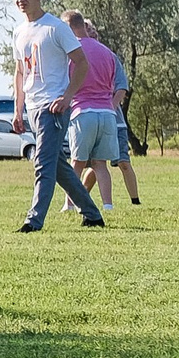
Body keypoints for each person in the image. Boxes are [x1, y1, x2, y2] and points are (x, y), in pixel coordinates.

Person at [10, 0, 103, 232]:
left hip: (53, 107)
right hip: (33, 106)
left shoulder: (56, 28)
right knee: (58, 166)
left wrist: (67, 96)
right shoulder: (19, 32)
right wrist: (18, 110)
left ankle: (33, 221)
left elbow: (82, 63)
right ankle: (92, 214)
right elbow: (20, 72)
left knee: (42, 162)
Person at [65, 12, 141, 210]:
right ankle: (108, 205)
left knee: (77, 163)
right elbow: (118, 85)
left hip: (83, 111)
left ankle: (70, 204)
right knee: (101, 164)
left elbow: (66, 81)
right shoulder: (108, 53)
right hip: (107, 114)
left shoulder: (72, 52)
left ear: (69, 27)